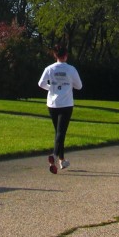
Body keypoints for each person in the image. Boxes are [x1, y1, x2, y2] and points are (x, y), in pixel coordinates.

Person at [38, 43, 82, 174]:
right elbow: (79, 86)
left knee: (58, 132)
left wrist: (51, 88)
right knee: (61, 132)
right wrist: (69, 85)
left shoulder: (49, 69)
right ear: (66, 55)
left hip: (52, 103)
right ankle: (55, 155)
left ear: (55, 55)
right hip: (66, 104)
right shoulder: (71, 69)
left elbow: (41, 83)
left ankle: (62, 161)